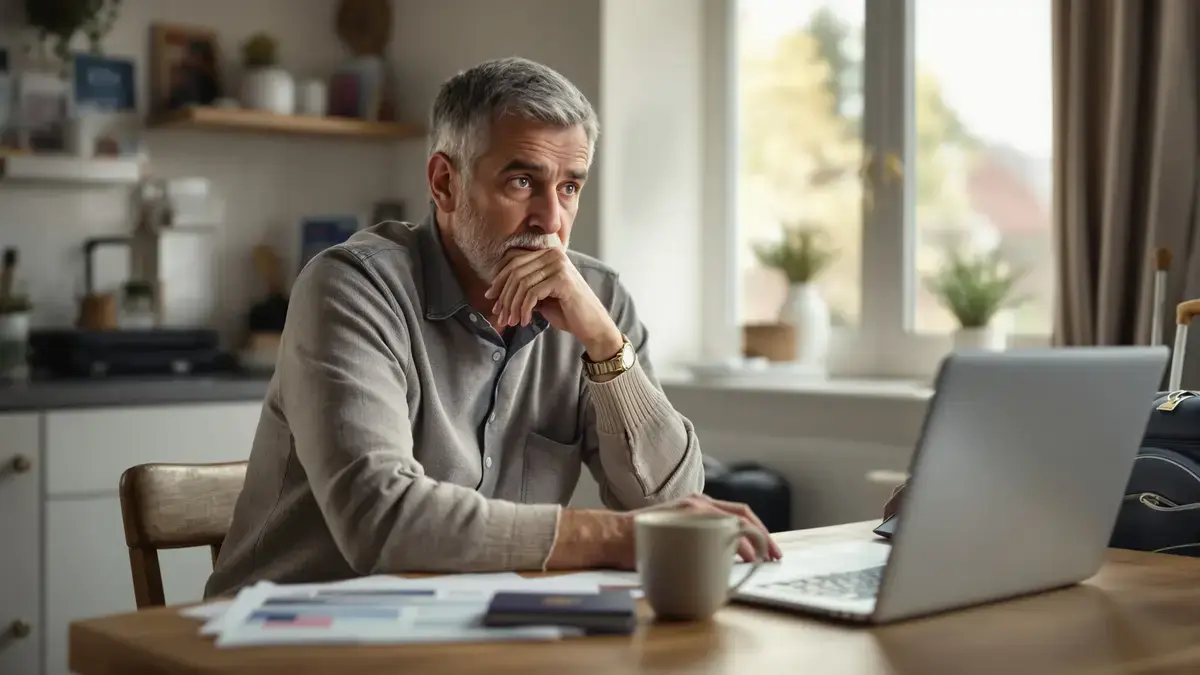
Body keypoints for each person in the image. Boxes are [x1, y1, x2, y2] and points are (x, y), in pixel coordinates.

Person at [204, 57, 781, 598]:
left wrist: (607, 347)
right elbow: (380, 519)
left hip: (475, 625)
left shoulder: (597, 300)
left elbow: (673, 506)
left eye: (570, 187)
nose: (551, 220)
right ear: (444, 183)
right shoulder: (353, 288)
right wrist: (616, 537)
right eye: (522, 182)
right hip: (290, 632)